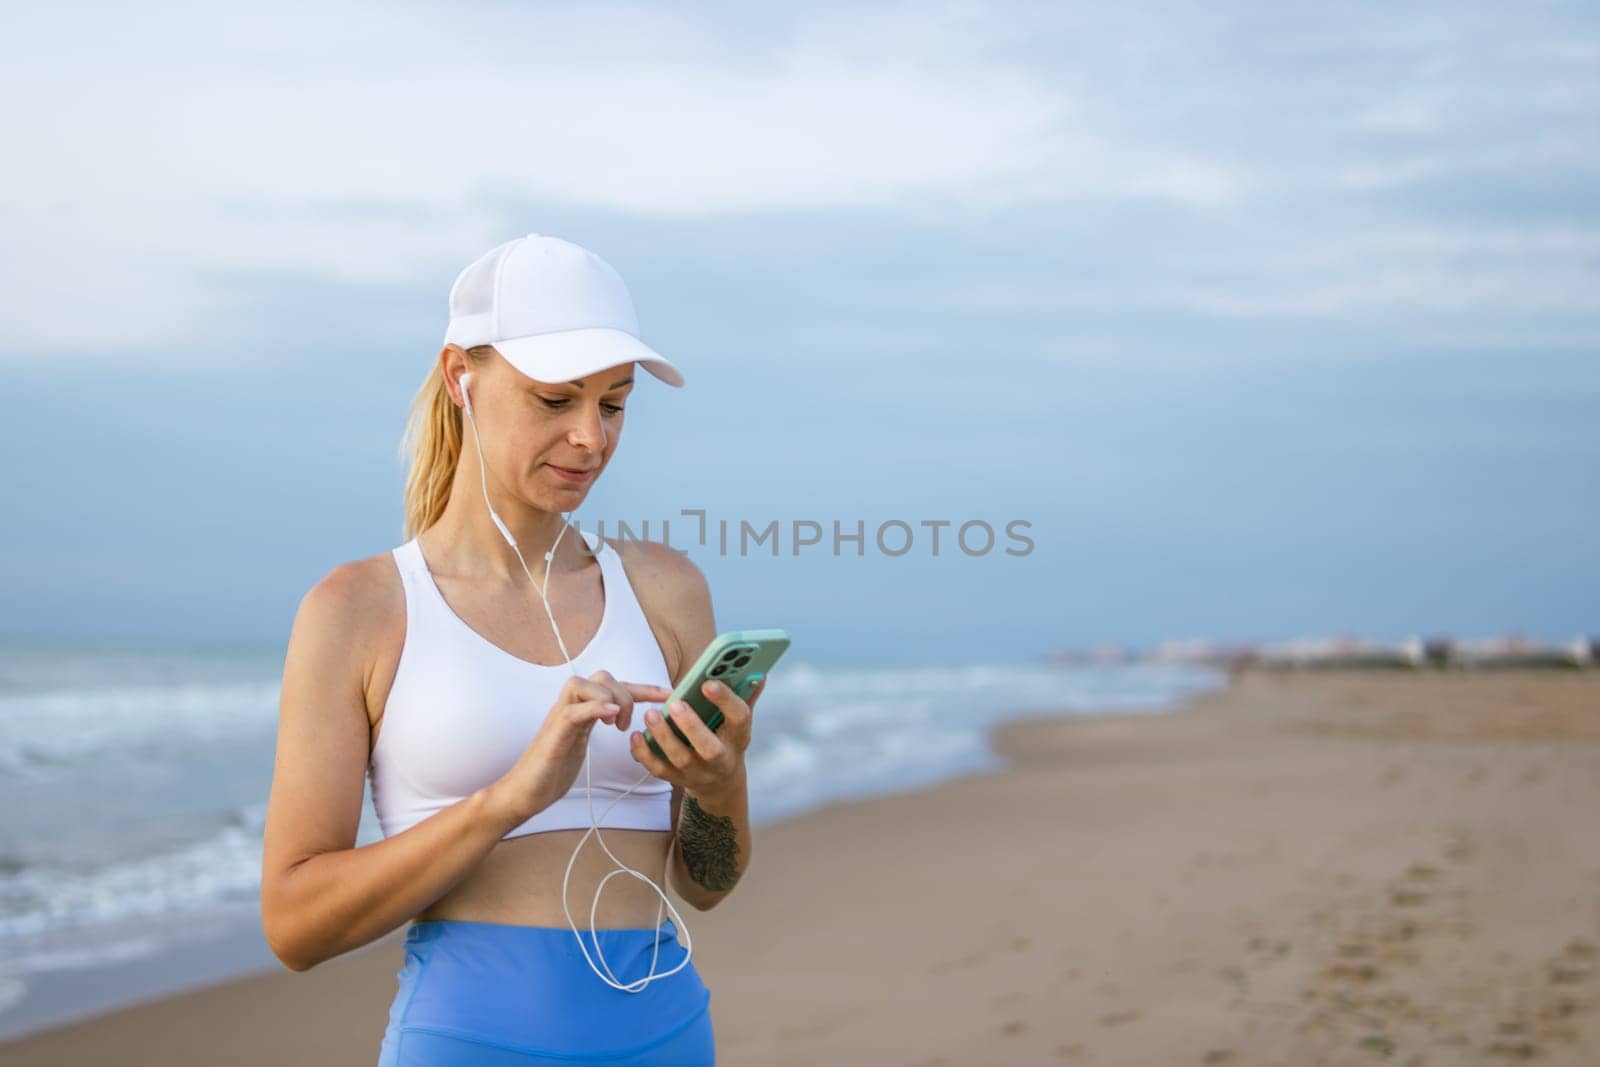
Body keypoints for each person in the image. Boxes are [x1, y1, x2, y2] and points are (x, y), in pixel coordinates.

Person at [259, 234, 762, 1065]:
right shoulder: (359, 611)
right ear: (462, 376)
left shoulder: (666, 589)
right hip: (466, 1043)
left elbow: (708, 884)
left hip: (667, 1037)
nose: (591, 438)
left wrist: (720, 784)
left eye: (615, 403)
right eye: (556, 399)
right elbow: (294, 923)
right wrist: (510, 798)